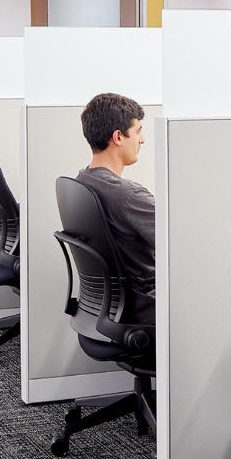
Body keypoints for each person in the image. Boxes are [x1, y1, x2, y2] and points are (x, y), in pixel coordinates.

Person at [75, 92, 155, 325]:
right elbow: (180, 247)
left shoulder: (81, 181)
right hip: (145, 305)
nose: (142, 140)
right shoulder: (128, 196)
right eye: (138, 131)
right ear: (118, 137)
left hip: (109, 305)